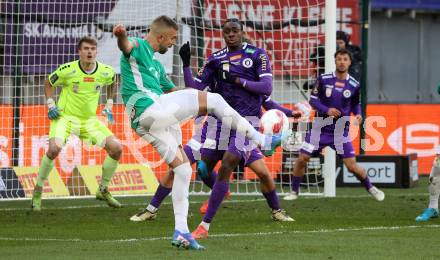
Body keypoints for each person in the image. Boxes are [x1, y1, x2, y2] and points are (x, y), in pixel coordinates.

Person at [114, 15, 282, 250]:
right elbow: (126, 46)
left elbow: (179, 92)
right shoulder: (138, 46)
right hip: (149, 110)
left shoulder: (157, 67)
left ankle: (181, 232)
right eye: (172, 38)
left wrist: (195, 94)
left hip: (146, 124)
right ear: (160, 36)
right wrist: (121, 35)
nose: (173, 43)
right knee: (215, 99)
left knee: (182, 169)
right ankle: (262, 140)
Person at [129, 97, 301, 222]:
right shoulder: (217, 71)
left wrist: (289, 113)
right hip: (210, 131)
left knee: (263, 173)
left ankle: (277, 210)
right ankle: (151, 210)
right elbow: (196, 89)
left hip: (240, 133)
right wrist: (187, 66)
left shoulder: (250, 75)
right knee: (182, 168)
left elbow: (267, 100)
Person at [31, 36, 123, 211]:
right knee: (53, 149)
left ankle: (103, 189)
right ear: (79, 51)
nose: (90, 52)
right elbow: (49, 82)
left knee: (117, 148)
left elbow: (113, 82)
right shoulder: (67, 70)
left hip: (89, 121)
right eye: (86, 49)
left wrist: (109, 104)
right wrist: (50, 104)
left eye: (93, 49)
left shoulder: (105, 71)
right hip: (64, 118)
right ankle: (38, 190)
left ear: (96, 51)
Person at [283, 49, 385, 202]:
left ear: (350, 62)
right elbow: (313, 100)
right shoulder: (323, 79)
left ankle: (371, 187)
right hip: (320, 128)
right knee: (302, 158)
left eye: (345, 59)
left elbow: (355, 105)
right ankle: (294, 191)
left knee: (352, 166)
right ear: (335, 61)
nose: (342, 62)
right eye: (339, 59)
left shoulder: (354, 84)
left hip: (340, 131)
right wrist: (327, 110)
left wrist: (358, 114)